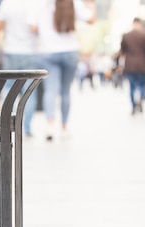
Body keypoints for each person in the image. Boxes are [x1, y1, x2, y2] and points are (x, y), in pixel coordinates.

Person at [29, 0, 96, 140]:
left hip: (47, 51)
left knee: (51, 90)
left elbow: (33, 28)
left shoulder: (39, 3)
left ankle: (50, 126)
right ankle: (64, 127)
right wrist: (90, 4)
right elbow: (91, 19)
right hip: (70, 51)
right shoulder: (73, 2)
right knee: (65, 91)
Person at [0, 0, 39, 137]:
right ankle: (26, 127)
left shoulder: (7, 4)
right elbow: (35, 28)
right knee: (28, 90)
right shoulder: (32, 4)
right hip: (29, 52)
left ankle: (9, 123)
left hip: (11, 51)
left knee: (9, 87)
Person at [120, 18, 145, 115]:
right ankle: (142, 98)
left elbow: (122, 50)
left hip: (130, 64)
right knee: (142, 84)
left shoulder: (126, 36)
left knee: (132, 86)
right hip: (142, 64)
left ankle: (134, 105)